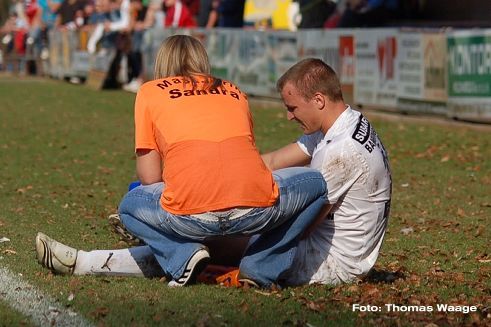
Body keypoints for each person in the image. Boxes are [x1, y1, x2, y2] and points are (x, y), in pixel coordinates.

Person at [36, 35, 328, 288]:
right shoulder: (234, 90)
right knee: (316, 183)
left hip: (190, 217)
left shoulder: (150, 92)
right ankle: (262, 266)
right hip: (254, 210)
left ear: (162, 63)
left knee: (130, 206)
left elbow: (150, 178)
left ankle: (182, 255)